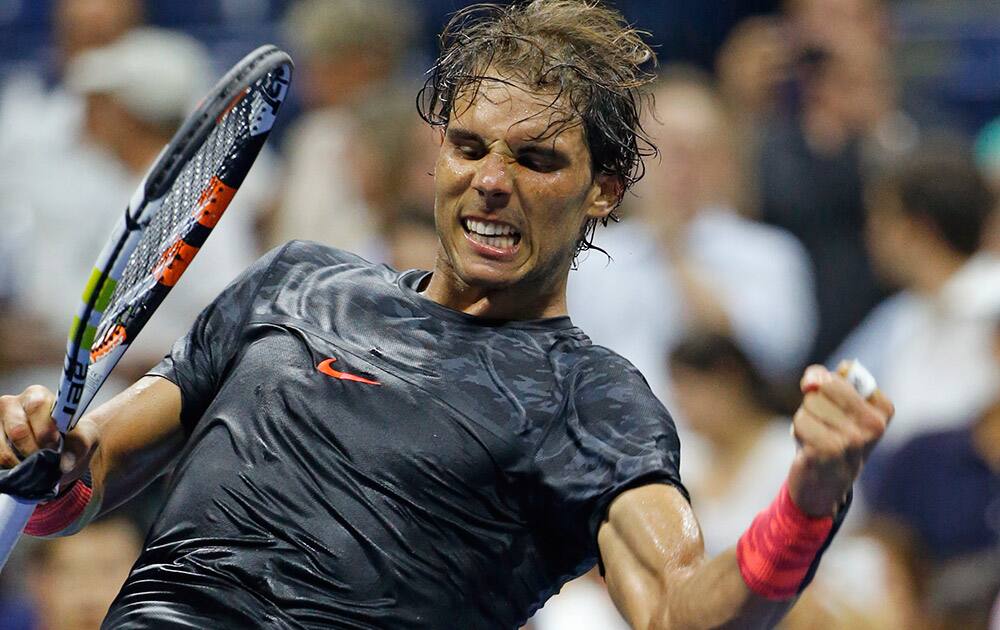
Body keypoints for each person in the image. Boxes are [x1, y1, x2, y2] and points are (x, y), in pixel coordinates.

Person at [0, 2, 892, 628]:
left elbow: (675, 613)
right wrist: (42, 460)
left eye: (537, 159)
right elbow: (86, 477)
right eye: (468, 147)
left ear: (604, 192)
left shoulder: (593, 401)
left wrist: (808, 503)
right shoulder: (295, 282)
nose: (491, 180)